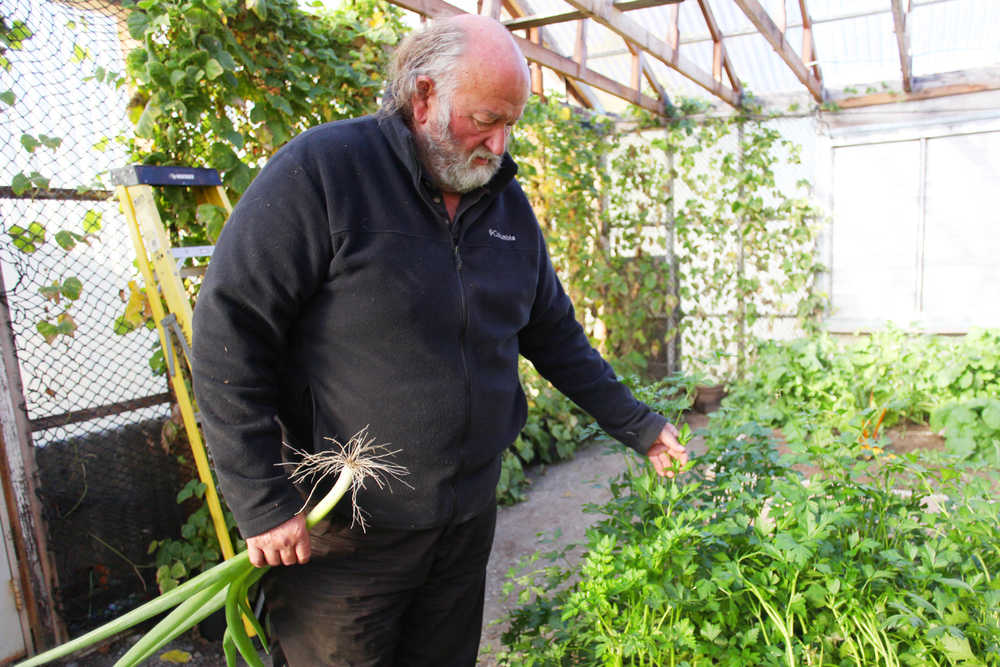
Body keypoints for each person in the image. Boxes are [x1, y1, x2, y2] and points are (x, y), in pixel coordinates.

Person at [190, 13, 688, 667]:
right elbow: (231, 325)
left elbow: (554, 334)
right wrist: (261, 498)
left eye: (512, 122)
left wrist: (642, 427)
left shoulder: (504, 204)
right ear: (422, 95)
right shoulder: (326, 172)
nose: (499, 143)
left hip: (463, 520)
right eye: (485, 118)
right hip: (345, 535)